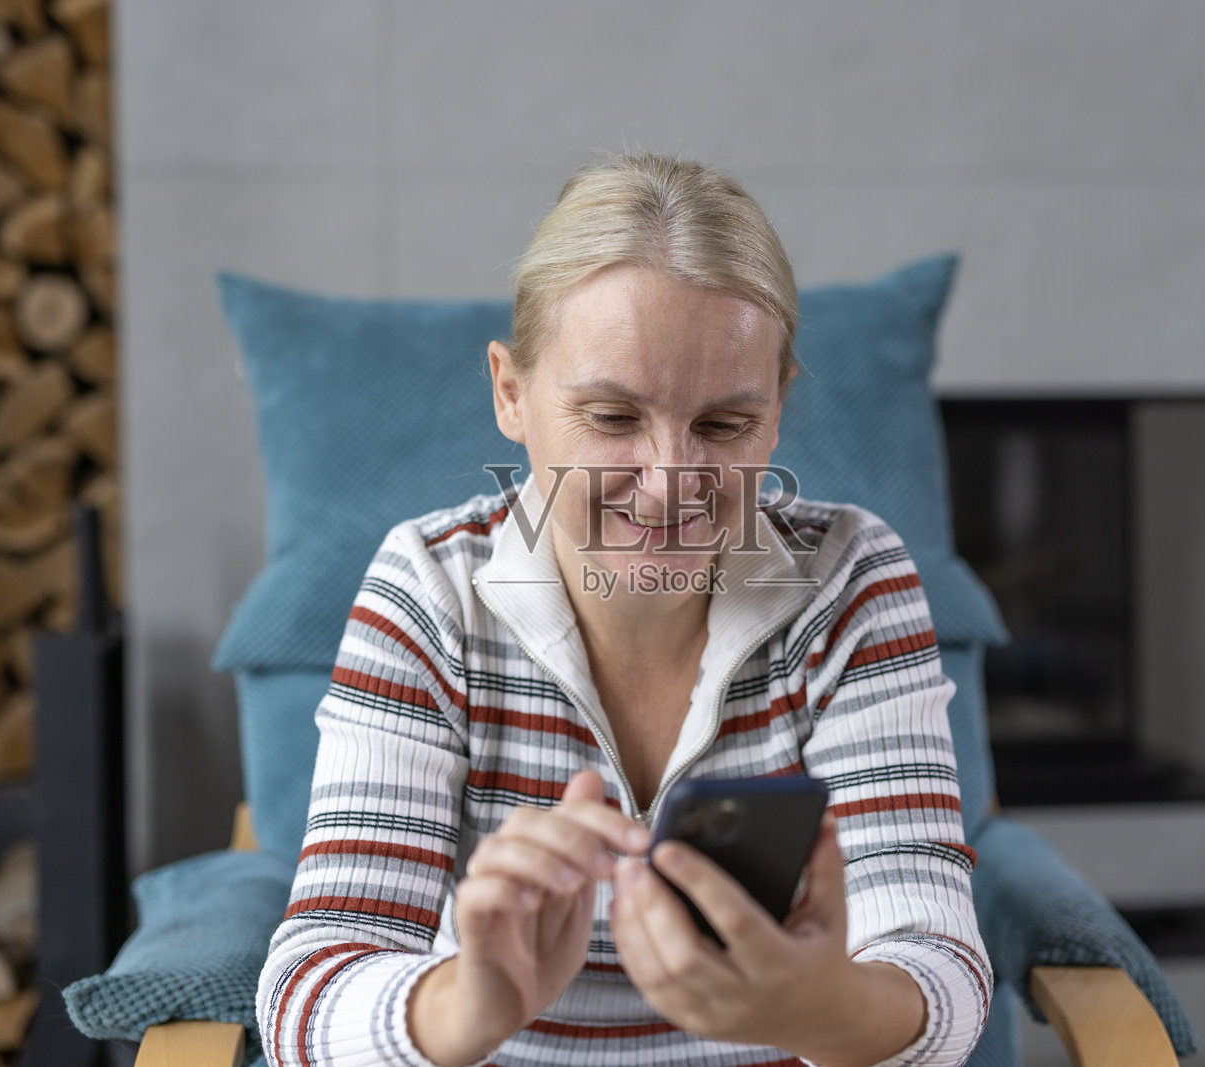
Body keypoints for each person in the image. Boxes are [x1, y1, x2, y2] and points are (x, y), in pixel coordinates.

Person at [255, 153, 991, 1067]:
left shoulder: (849, 578)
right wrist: (464, 1006)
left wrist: (827, 1011)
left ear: (777, 410)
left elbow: (939, 968)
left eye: (724, 425)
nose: (672, 481)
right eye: (611, 418)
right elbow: (306, 996)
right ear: (511, 393)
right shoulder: (434, 587)